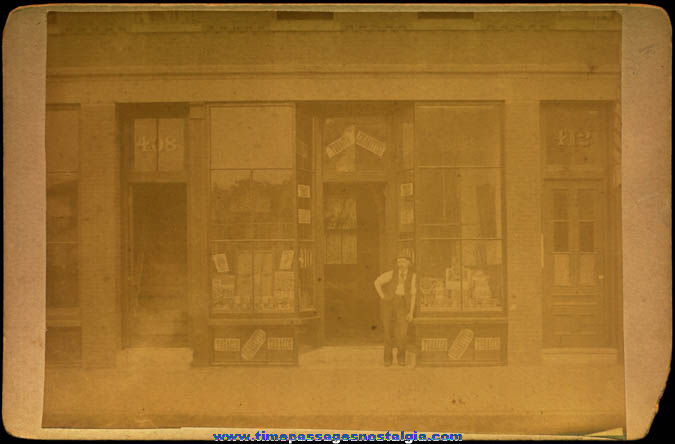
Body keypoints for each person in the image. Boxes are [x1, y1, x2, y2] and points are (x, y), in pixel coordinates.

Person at [373, 251, 417, 366]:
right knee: (388, 332)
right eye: (399, 261)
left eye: (403, 261)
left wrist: (411, 312)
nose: (400, 264)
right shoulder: (392, 274)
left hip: (403, 306)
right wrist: (383, 296)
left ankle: (401, 358)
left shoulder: (413, 276)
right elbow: (377, 282)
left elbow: (413, 295)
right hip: (389, 305)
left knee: (402, 333)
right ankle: (387, 359)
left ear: (409, 263)